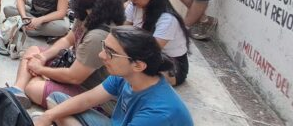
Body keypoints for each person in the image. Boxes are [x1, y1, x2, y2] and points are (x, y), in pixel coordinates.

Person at [11, 0, 125, 110]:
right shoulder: (88, 12)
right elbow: (68, 40)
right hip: (72, 65)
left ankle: (31, 85)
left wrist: (40, 69)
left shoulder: (99, 36)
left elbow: (74, 77)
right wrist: (42, 57)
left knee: (33, 87)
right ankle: (17, 91)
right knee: (33, 51)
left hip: (89, 89)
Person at [35, 26, 194, 126]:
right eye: (105, 47)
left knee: (59, 112)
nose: (101, 55)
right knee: (56, 100)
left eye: (110, 53)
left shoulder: (159, 113)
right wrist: (47, 117)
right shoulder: (126, 75)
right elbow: (87, 100)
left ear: (138, 65)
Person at [126, 0, 190, 86]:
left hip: (171, 63)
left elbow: (153, 49)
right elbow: (124, 31)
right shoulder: (134, 6)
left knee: (134, 75)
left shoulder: (167, 19)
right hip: (143, 54)